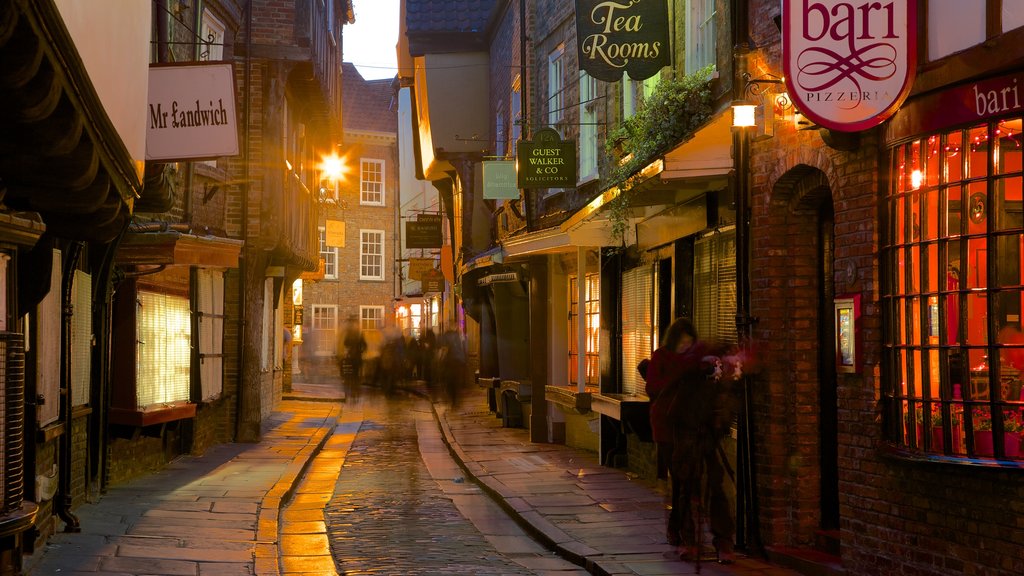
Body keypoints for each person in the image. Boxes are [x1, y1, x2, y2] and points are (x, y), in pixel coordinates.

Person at [644, 317, 735, 564]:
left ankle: (717, 540)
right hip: (670, 430)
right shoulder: (665, 358)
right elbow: (653, 387)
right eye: (682, 342)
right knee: (684, 486)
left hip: (700, 428)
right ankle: (684, 537)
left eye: (689, 343)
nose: (685, 346)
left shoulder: (699, 364)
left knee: (711, 484)